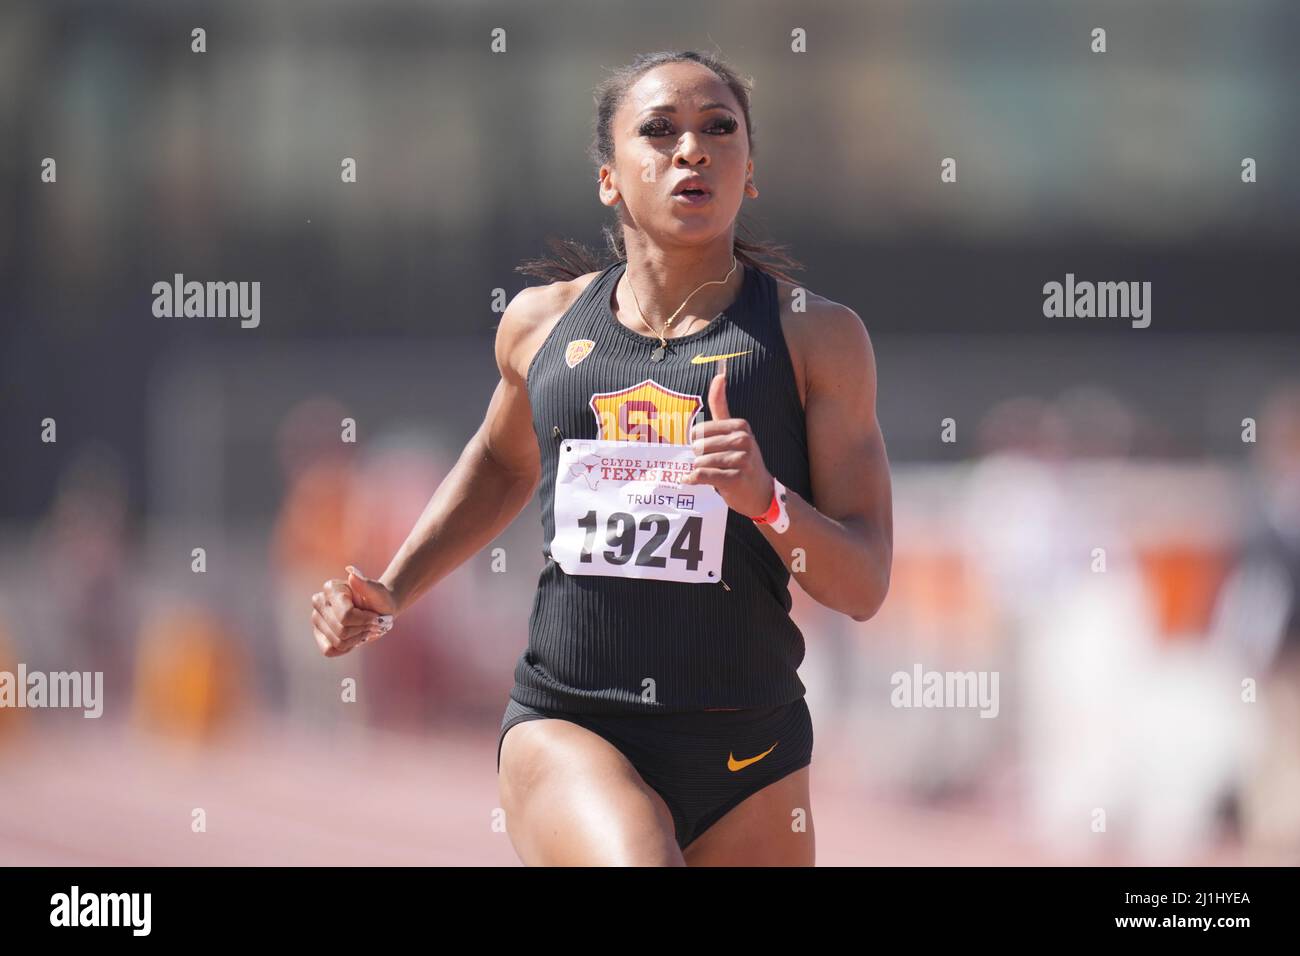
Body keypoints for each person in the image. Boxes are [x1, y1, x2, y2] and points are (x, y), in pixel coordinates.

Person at [309, 50, 893, 866]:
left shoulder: (815, 340)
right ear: (609, 178)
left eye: (719, 130)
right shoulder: (540, 327)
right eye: (659, 131)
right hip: (575, 724)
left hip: (752, 752)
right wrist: (392, 588)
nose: (692, 150)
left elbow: (863, 585)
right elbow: (501, 461)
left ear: (749, 172)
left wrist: (765, 500)